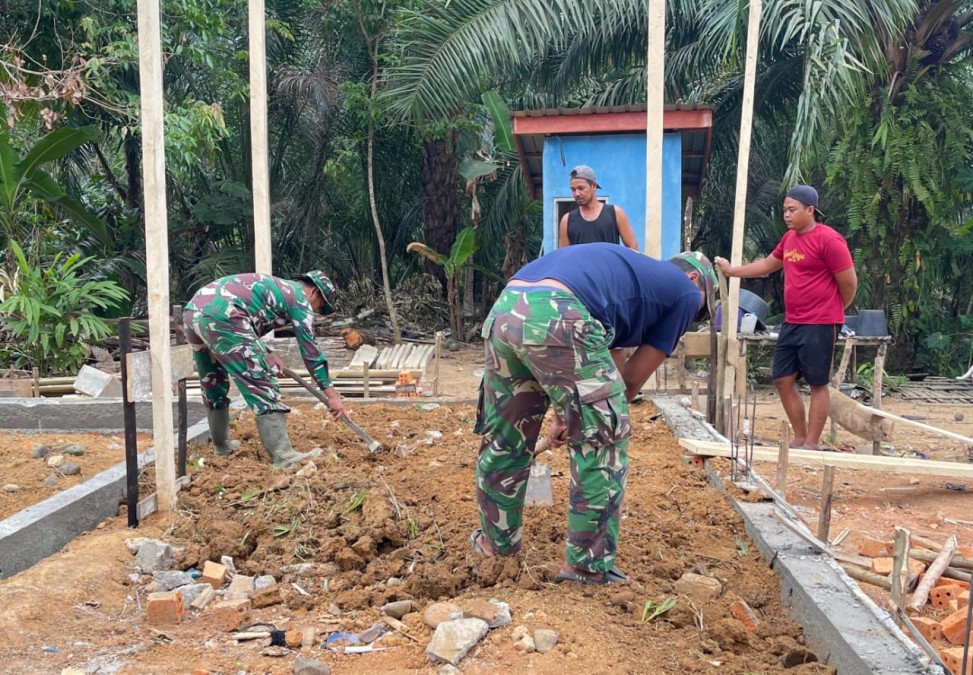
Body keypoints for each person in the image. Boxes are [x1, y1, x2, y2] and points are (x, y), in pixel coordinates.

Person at [470, 244, 717, 585]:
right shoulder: (687, 293)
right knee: (604, 437)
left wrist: (564, 417)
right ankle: (587, 566)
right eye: (701, 313)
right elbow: (628, 382)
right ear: (695, 279)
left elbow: (600, 365)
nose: (694, 317)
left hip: (507, 308)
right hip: (560, 314)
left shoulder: (629, 280)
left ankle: (496, 546)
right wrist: (586, 422)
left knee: (506, 437)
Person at [714, 184, 857, 451]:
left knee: (817, 383)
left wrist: (835, 310)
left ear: (810, 210)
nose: (786, 215)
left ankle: (811, 442)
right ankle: (800, 436)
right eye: (784, 210)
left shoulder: (829, 240)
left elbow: (849, 283)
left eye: (792, 210)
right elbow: (768, 265)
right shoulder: (789, 240)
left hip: (821, 323)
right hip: (793, 321)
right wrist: (733, 271)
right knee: (782, 378)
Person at [183, 271, 347, 469]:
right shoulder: (299, 298)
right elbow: (310, 351)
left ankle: (222, 447)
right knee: (261, 381)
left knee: (213, 380)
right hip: (224, 315)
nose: (315, 312)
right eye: (319, 307)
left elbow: (245, 323)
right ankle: (284, 456)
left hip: (194, 312)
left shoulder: (277, 288)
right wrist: (331, 395)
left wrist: (267, 352)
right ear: (313, 292)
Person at [558, 166, 639, 249]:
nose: (577, 194)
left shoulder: (615, 213)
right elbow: (565, 256)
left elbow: (633, 248)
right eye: (573, 190)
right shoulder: (567, 220)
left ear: (594, 186)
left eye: (581, 188)